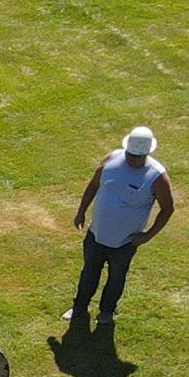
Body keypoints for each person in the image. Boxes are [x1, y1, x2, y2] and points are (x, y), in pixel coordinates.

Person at [67, 125, 173, 326]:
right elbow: (93, 185)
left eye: (138, 156)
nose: (133, 159)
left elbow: (167, 208)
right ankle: (79, 307)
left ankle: (106, 311)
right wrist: (81, 212)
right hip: (96, 234)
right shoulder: (111, 159)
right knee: (89, 272)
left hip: (124, 243)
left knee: (116, 278)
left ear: (148, 154)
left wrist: (147, 236)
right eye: (130, 154)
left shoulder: (157, 176)